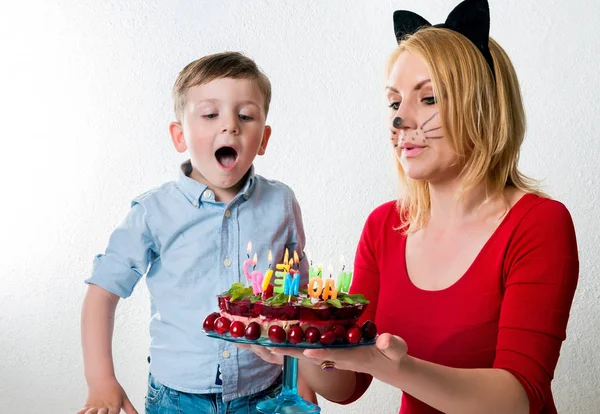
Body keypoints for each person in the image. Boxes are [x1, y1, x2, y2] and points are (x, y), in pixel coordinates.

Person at [246, 1, 579, 413]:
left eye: (429, 98)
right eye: (394, 103)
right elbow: (347, 385)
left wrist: (391, 366)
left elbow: (518, 398)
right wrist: (296, 345)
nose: (400, 119)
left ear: (484, 106)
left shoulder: (539, 224)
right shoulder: (383, 226)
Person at [77, 51, 315, 414]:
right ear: (179, 135)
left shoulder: (281, 202)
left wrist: (300, 382)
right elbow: (103, 292)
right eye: (210, 114)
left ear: (263, 139)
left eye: (245, 115)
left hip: (264, 392)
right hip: (177, 399)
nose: (230, 126)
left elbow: (293, 300)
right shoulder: (153, 212)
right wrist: (101, 381)